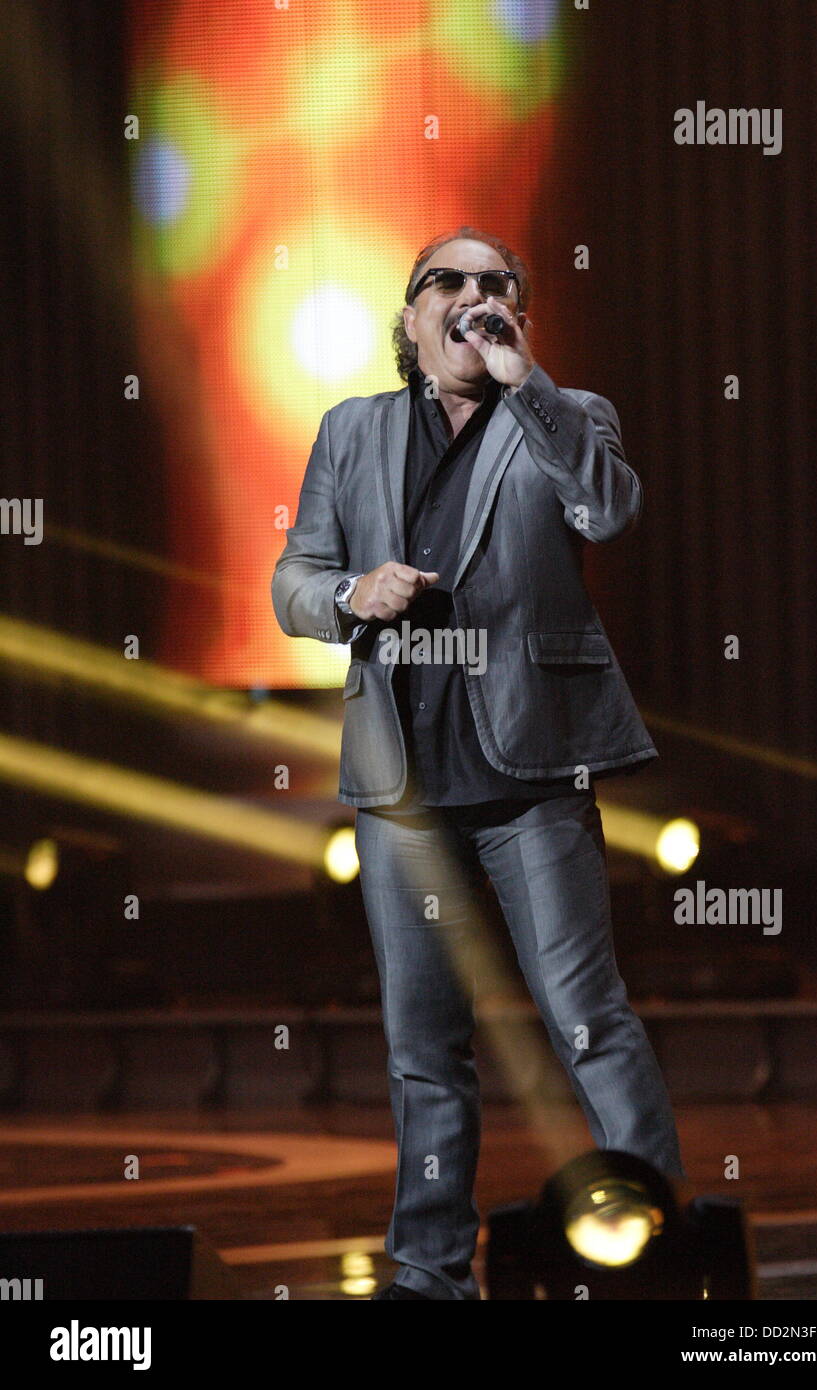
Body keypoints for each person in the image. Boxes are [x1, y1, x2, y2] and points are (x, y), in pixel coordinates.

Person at [271, 227, 685, 1300]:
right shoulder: (351, 431)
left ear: (516, 319)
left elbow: (610, 507)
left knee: (586, 1016)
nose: (471, 294)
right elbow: (292, 580)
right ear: (409, 320)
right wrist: (348, 595)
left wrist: (525, 383)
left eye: (495, 284)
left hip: (532, 773)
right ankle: (428, 1269)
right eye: (445, 281)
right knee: (423, 1048)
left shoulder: (563, 414)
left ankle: (659, 1240)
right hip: (400, 788)